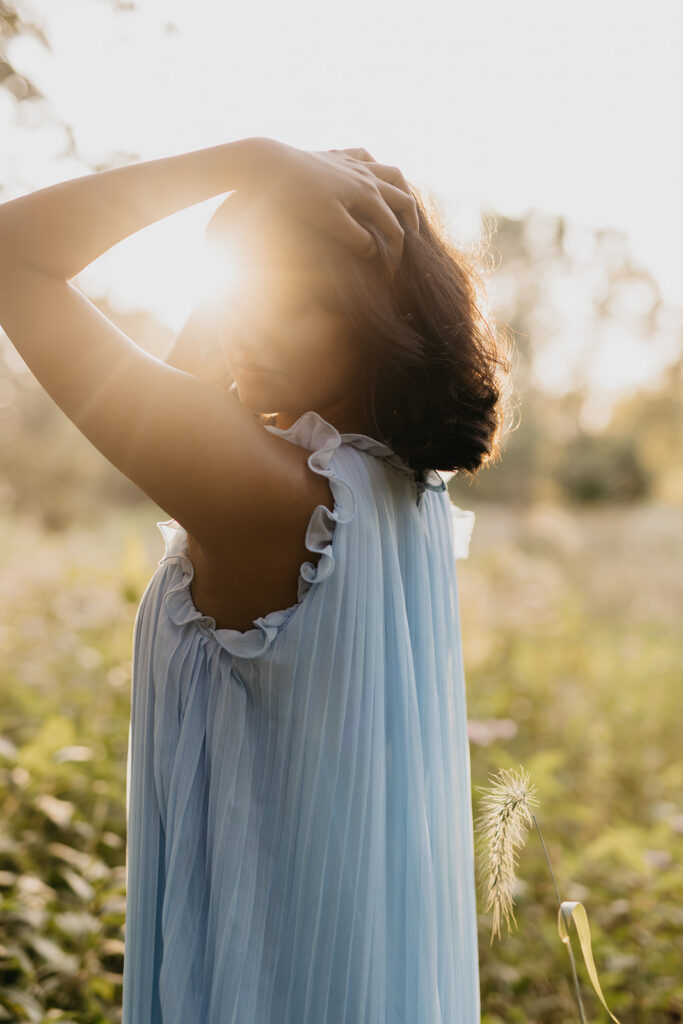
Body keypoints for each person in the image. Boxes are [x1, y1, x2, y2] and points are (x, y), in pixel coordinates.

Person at [0, 136, 512, 1022]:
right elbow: (196, 375)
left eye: (298, 305)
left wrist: (245, 160)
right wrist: (263, 206)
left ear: (372, 319)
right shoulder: (400, 492)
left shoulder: (274, 498)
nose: (250, 330)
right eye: (247, 297)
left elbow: (13, 254)